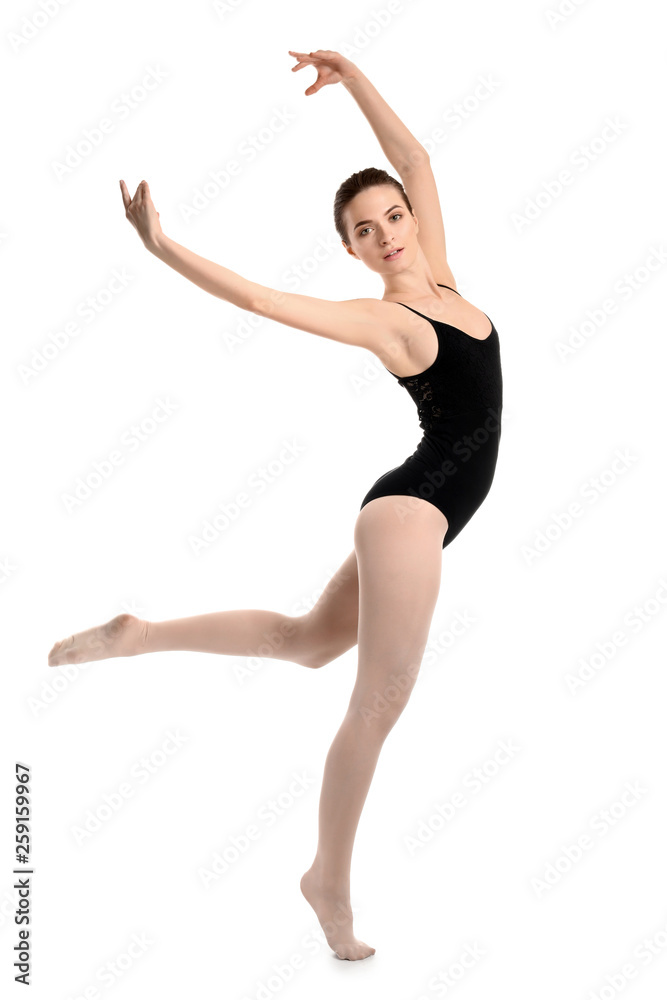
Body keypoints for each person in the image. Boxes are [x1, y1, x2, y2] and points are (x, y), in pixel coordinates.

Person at [47, 49, 503, 961]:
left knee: (305, 643)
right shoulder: (390, 320)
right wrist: (164, 245)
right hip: (410, 515)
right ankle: (327, 883)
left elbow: (413, 159)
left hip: (410, 512)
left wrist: (354, 76)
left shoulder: (444, 280)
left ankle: (138, 633)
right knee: (378, 702)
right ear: (351, 249)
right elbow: (261, 297)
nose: (388, 234)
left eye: (393, 218)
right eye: (365, 231)